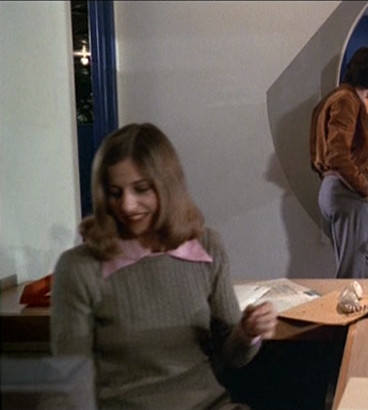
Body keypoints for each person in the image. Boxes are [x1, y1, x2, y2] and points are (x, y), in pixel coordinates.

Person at [51, 123, 277, 410]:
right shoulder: (79, 268)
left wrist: (247, 332)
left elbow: (232, 356)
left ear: (168, 188)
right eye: (115, 193)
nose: (127, 205)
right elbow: (71, 385)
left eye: (141, 189)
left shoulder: (207, 247)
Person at [309, 46, 368, 279]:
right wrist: (363, 187)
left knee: (365, 270)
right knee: (351, 274)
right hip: (347, 191)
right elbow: (337, 154)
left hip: (336, 189)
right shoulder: (347, 100)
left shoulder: (336, 97)